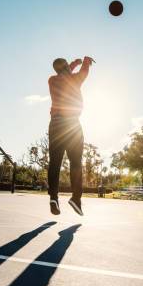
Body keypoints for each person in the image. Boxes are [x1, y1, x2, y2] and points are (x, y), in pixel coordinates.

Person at [47, 56, 94, 215]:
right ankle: (76, 198)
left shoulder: (52, 80)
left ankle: (53, 197)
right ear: (66, 67)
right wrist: (86, 61)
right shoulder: (74, 80)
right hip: (72, 125)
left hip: (56, 124)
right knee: (75, 162)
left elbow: (65, 72)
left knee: (54, 163)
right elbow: (84, 72)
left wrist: (73, 64)